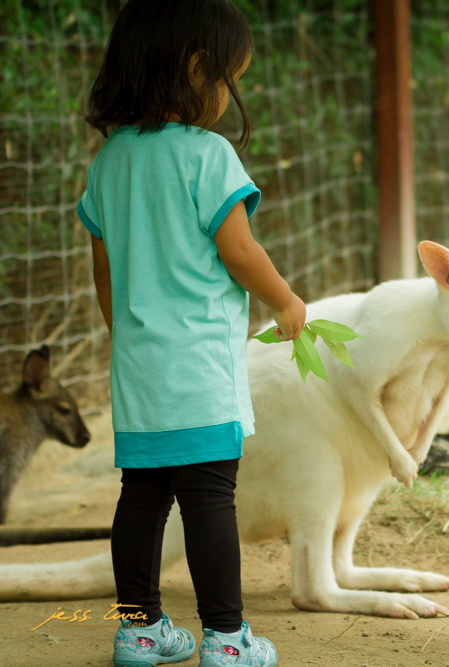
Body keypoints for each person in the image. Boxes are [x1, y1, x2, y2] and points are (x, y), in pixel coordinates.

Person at [79, 1, 305, 665]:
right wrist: (286, 302)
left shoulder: (109, 162)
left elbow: (104, 270)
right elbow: (239, 250)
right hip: (200, 369)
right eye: (231, 78)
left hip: (140, 367)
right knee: (209, 499)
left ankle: (139, 629)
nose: (231, 94)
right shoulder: (208, 157)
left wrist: (128, 338)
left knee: (140, 500)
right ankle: (227, 639)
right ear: (198, 71)